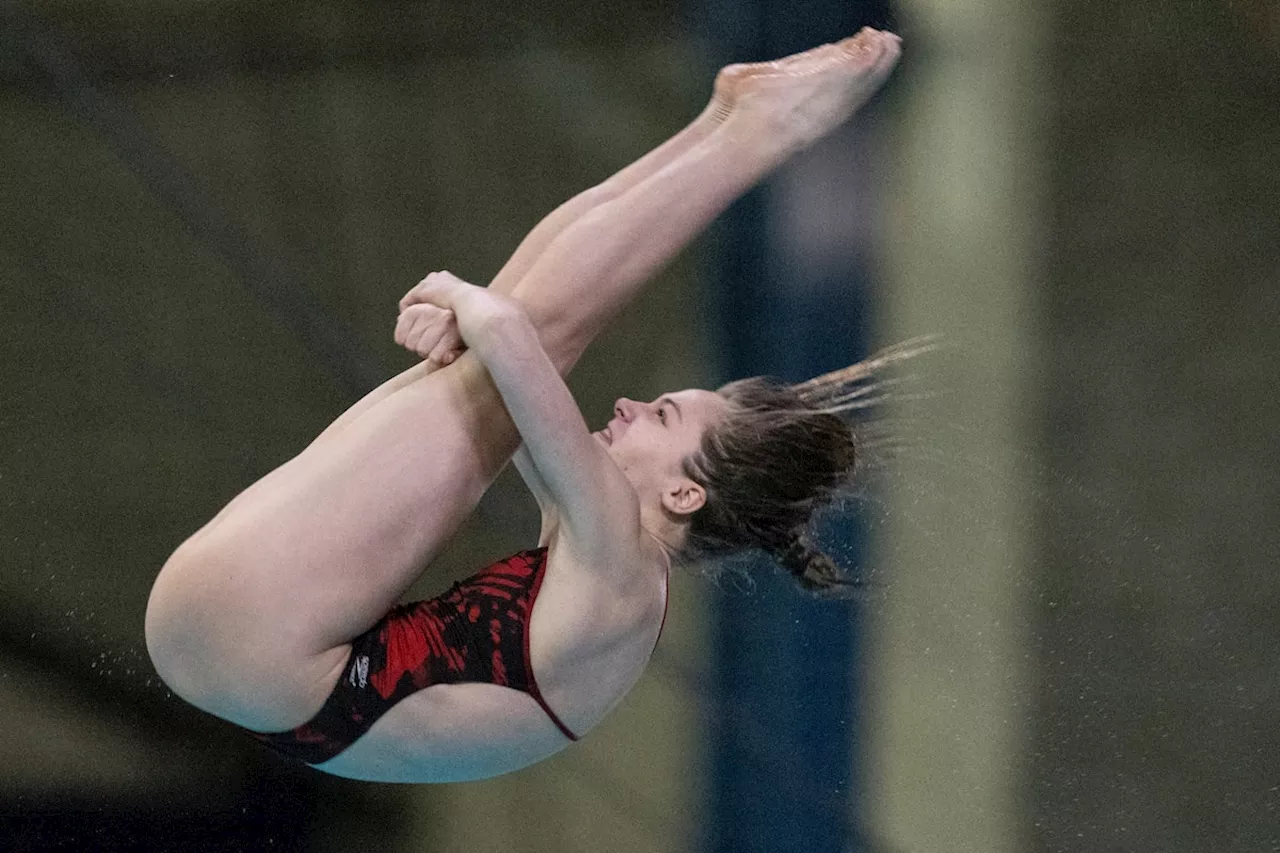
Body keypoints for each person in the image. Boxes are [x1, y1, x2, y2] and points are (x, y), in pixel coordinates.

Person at [144, 28, 905, 784]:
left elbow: (515, 338)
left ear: (684, 491)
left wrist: (453, 296)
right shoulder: (607, 572)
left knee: (531, 333)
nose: (631, 404)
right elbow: (511, 340)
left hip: (264, 642)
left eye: (663, 417)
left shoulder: (621, 561)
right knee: (521, 336)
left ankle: (762, 130)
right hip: (251, 659)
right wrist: (475, 320)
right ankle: (726, 122)